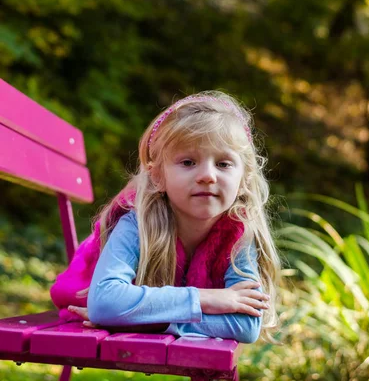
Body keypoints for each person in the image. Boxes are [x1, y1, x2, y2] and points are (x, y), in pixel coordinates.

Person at [50, 91, 280, 343]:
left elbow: (245, 325)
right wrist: (205, 298)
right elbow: (104, 304)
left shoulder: (239, 233)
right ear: (157, 176)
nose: (207, 176)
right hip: (83, 302)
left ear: (244, 179)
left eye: (223, 164)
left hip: (137, 310)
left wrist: (150, 323)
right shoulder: (137, 222)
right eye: (188, 162)